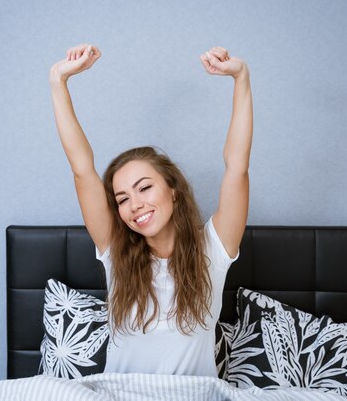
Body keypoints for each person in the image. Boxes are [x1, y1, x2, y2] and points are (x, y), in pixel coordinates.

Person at [49, 44, 253, 377]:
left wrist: (241, 77)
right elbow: (82, 169)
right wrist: (58, 81)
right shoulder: (115, 251)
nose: (135, 205)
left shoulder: (213, 250)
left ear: (173, 190)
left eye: (144, 188)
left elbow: (237, 168)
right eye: (122, 198)